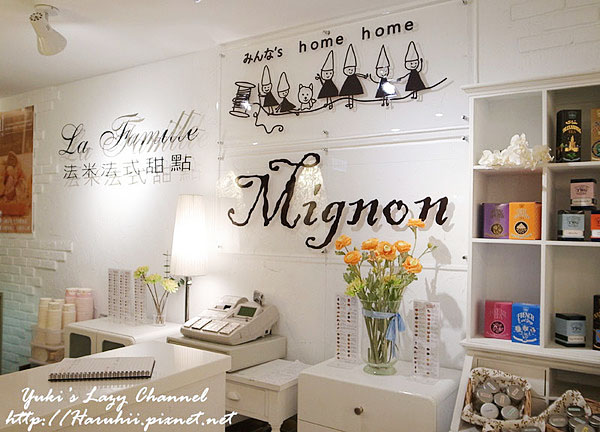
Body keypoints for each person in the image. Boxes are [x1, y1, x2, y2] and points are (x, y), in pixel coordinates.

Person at [339, 44, 368, 109]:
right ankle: (349, 102)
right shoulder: (349, 78)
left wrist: (364, 76)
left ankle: (351, 102)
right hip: (349, 84)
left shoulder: (354, 75)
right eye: (349, 69)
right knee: (348, 92)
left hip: (354, 84)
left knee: (352, 92)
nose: (350, 71)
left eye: (352, 69)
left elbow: (358, 74)